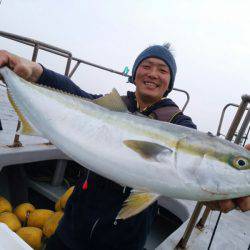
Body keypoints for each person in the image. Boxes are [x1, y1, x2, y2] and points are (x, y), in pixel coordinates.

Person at [0, 45, 249, 250]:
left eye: (162, 70)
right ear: (135, 73)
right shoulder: (113, 104)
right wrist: (33, 70)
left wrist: (212, 193)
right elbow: (73, 94)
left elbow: (194, 175)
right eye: (146, 66)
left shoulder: (182, 127)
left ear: (169, 81)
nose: (153, 73)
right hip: (74, 225)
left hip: (123, 240)